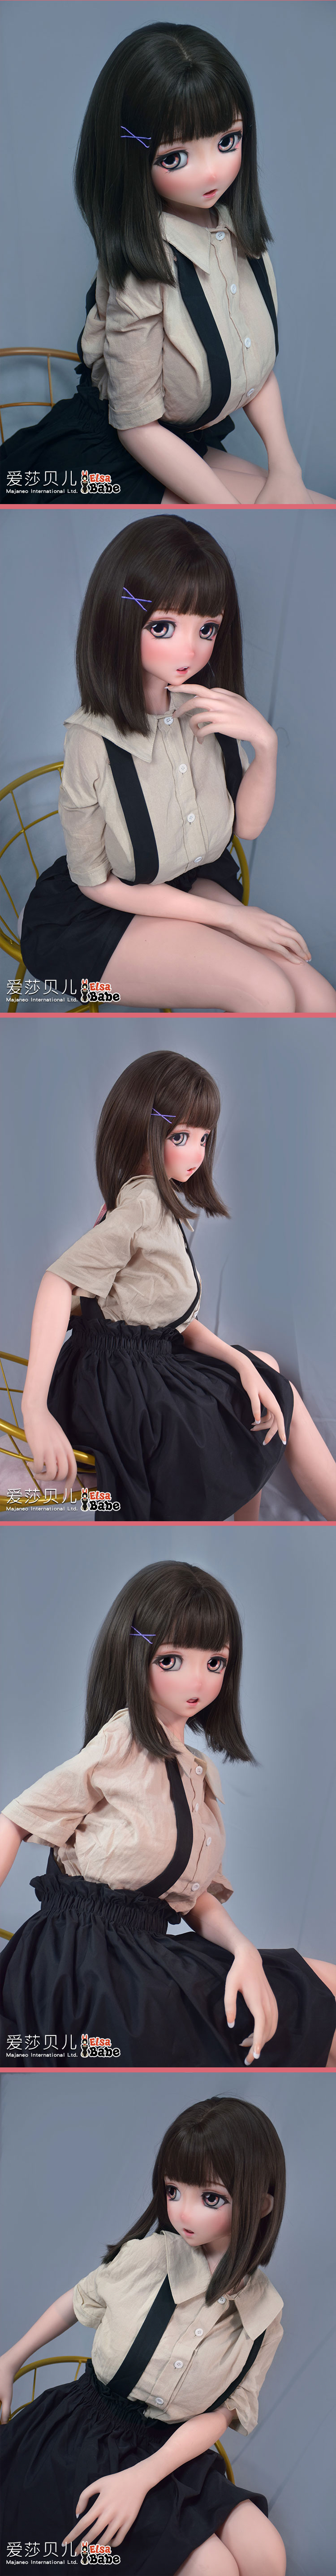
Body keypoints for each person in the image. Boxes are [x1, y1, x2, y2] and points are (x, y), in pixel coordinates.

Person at [1, 1559, 335, 2068]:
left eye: (216, 1662)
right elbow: (16, 1819)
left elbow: (190, 1896)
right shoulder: (122, 1740)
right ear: (135, 1655)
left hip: (141, 1957)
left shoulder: (195, 1772)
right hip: (87, 1968)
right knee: (313, 2012)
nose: (198, 1680)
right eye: (172, 1660)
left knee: (313, 2000)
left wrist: (243, 1950)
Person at [0, 23, 331, 508]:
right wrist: (234, 516)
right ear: (129, 158)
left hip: (180, 444)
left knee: (316, 511)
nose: (213, 170)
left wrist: (287, 468)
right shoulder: (143, 267)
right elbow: (136, 426)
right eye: (175, 157)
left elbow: (254, 370)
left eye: (228, 141)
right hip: (105, 461)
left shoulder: (239, 238)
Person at [20, 521, 336, 1012]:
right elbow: (95, 882)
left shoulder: (208, 709)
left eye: (207, 629)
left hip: (192, 879)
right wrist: (230, 918)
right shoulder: (92, 739)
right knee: (267, 992)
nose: (191, 650)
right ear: (119, 620)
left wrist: (266, 745)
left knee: (319, 1000)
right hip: (93, 916)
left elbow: (247, 827)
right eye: (163, 627)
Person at [19, 1048, 336, 1523]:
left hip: (135, 1361)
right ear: (142, 1130)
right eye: (181, 1137)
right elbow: (58, 1281)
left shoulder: (150, 1203)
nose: (197, 1153)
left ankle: (249, 1527)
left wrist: (240, 1363)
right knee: (259, 1398)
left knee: (260, 1370)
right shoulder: (143, 1207)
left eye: (204, 1138)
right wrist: (34, 1408)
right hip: (123, 1386)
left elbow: (175, 1323)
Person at [0, 2092, 289, 2573]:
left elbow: (222, 2414)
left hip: (173, 2453)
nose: (183, 2213)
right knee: (213, 2568)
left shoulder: (264, 2316)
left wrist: (142, 2478)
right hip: (88, 2437)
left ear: (261, 2205)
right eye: (174, 2191)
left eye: (210, 2198)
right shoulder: (151, 2258)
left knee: (267, 2553)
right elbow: (78, 2300)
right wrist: (10, 2360)